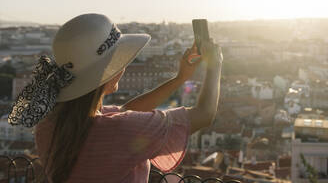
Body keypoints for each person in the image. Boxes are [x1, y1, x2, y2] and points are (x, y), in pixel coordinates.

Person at [7, 13, 223, 182]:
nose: (125, 65)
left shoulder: (50, 124)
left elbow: (126, 113)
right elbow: (205, 114)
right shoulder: (120, 131)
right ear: (107, 72)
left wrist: (180, 78)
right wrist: (215, 64)